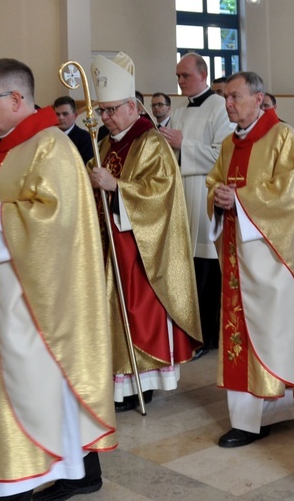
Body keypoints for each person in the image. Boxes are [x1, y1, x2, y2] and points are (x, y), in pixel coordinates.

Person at [0, 58, 116, 501]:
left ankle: (29, 471)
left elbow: (54, 221)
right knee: (32, 378)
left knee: (36, 377)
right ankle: (71, 468)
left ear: (16, 99)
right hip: (8, 288)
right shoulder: (9, 148)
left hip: (41, 295)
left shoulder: (50, 147)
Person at [207, 71, 294, 448]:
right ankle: (250, 418)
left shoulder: (283, 137)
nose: (228, 103)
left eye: (234, 96)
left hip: (275, 258)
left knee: (274, 334)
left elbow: (293, 194)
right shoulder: (230, 144)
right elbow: (215, 183)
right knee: (246, 334)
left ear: (258, 98)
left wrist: (242, 200)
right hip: (239, 255)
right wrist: (216, 199)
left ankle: (281, 408)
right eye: (226, 97)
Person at [89, 52, 202, 414]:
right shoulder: (105, 143)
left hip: (141, 248)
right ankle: (118, 378)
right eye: (101, 111)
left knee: (138, 311)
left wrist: (116, 187)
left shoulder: (150, 141)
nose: (104, 118)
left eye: (110, 110)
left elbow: (161, 192)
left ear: (132, 107)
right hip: (111, 243)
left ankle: (144, 379)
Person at [162, 53, 235, 358]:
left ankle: (208, 337)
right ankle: (188, 332)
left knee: (206, 268)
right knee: (188, 267)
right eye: (177, 76)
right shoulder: (178, 111)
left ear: (203, 75)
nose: (180, 82)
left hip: (205, 194)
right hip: (182, 196)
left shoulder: (219, 107)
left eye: (185, 76)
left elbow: (224, 153)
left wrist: (183, 145)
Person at [53, 96, 94, 164]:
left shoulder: (85, 138)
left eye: (65, 114)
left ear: (75, 116)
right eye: (57, 114)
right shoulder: (51, 136)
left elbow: (87, 164)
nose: (61, 118)